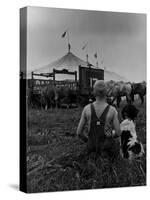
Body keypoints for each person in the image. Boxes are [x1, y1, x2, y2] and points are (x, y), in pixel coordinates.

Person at [77, 80, 121, 158]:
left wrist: (88, 140)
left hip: (91, 151)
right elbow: (118, 132)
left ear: (94, 92)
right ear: (106, 92)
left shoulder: (86, 109)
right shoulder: (112, 110)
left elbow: (79, 133)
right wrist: (111, 134)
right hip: (106, 152)